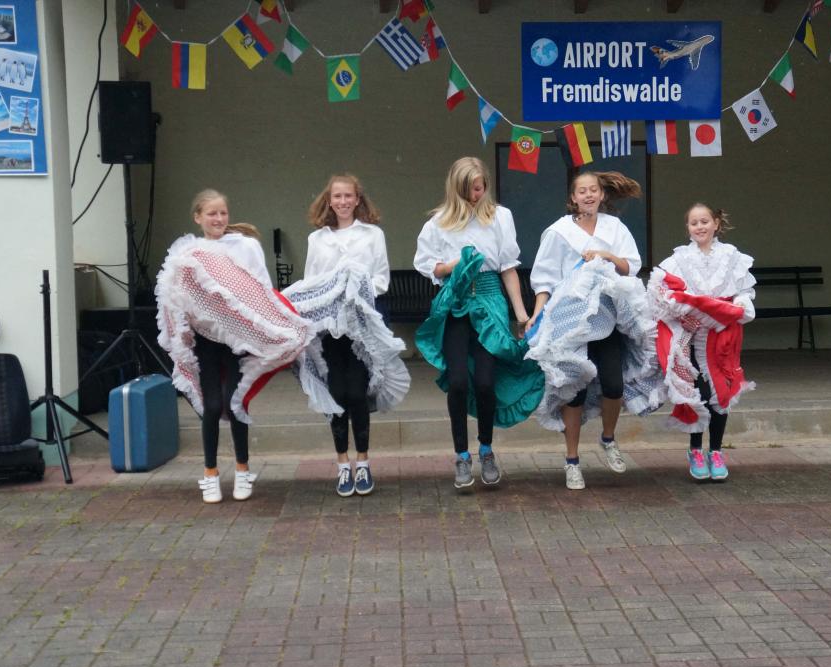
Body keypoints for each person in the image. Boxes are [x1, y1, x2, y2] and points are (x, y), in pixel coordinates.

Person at [413, 157, 544, 490]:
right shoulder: (438, 223)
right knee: (458, 381)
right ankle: (461, 455)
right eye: (471, 189)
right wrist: (454, 265)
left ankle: (486, 449)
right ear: (457, 188)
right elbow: (430, 267)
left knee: (486, 382)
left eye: (481, 187)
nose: (477, 194)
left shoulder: (500, 217)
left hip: (490, 300)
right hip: (455, 302)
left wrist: (521, 315)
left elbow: (508, 269)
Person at [527, 171, 663, 490]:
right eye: (582, 191)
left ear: (602, 195)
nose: (588, 195)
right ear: (573, 198)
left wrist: (605, 255)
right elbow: (544, 278)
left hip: (608, 318)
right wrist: (536, 314)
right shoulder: (559, 232)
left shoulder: (615, 227)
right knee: (573, 391)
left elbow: (630, 267)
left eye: (593, 190)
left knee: (614, 386)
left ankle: (608, 438)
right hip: (570, 323)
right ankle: (572, 460)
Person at [287, 173, 409, 497]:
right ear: (329, 201)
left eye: (348, 196)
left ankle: (363, 462)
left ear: (358, 199)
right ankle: (342, 464)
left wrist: (356, 291)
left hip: (361, 326)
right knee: (337, 393)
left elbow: (381, 278)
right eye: (337, 196)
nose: (342, 201)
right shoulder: (317, 239)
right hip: (329, 328)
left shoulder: (372, 235)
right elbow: (311, 282)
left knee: (357, 392)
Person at [156, 190, 275, 504]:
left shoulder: (245, 246)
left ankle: (243, 469)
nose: (219, 219)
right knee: (210, 406)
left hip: (237, 339)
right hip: (206, 341)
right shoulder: (189, 252)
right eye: (212, 214)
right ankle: (210, 473)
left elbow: (261, 286)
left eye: (223, 213)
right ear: (198, 217)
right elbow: (178, 297)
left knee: (235, 403)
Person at [648, 204, 756, 482]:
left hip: (722, 336)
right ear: (688, 228)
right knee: (698, 392)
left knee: (722, 392)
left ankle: (716, 451)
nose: (700, 227)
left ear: (716, 223)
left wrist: (737, 307)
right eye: (694, 223)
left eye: (705, 221)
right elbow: (663, 297)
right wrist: (683, 315)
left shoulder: (732, 256)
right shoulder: (678, 260)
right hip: (690, 339)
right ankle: (696, 450)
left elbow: (744, 291)